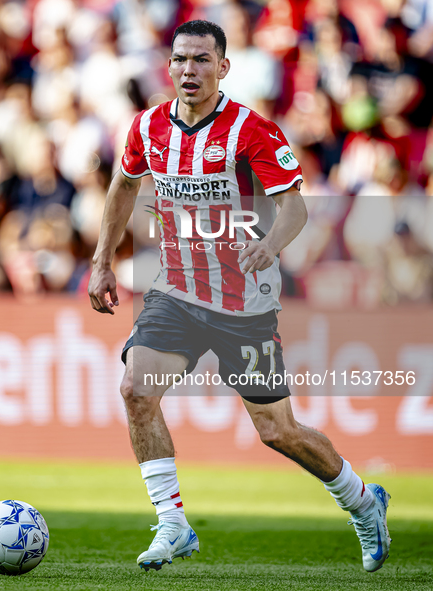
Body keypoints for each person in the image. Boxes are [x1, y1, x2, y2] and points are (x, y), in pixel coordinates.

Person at [88, 20, 391, 573]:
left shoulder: (252, 130)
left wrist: (271, 246)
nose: (189, 69)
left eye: (202, 60)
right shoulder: (147, 127)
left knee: (278, 431)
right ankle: (173, 524)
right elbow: (124, 185)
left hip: (243, 306)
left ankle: (363, 500)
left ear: (222, 68)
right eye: (180, 59)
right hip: (177, 291)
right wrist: (103, 259)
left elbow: (295, 206)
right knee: (136, 387)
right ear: (168, 66)